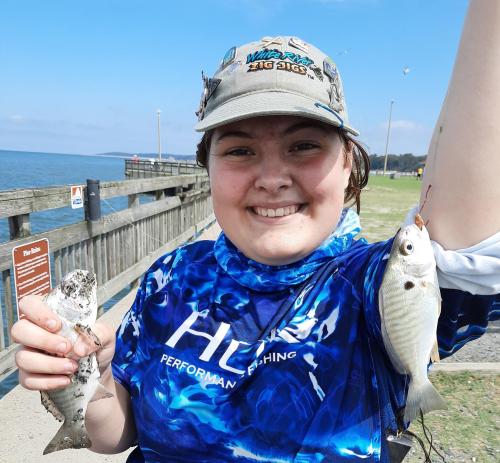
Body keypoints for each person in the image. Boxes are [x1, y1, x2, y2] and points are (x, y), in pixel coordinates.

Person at [11, 1, 500, 462]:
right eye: (240, 151)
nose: (271, 178)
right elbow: (116, 431)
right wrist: (77, 381)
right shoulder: (170, 280)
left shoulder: (373, 285)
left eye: (304, 145)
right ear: (208, 168)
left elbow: (468, 238)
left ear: (349, 164)